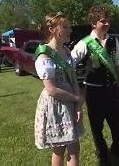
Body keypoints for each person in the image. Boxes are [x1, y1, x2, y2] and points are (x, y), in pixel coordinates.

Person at [71, 6, 119, 166]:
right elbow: (70, 63)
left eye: (108, 20)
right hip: (94, 91)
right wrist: (76, 85)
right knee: (97, 126)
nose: (107, 23)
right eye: (102, 20)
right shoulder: (85, 43)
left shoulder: (113, 41)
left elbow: (117, 64)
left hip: (112, 89)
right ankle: (102, 155)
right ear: (93, 23)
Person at [34, 12, 85, 166]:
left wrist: (78, 105)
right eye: (66, 27)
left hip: (70, 101)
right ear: (52, 29)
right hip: (56, 105)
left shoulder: (67, 51)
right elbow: (52, 89)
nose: (70, 30)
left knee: (74, 148)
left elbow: (74, 79)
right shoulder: (44, 55)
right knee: (59, 149)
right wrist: (77, 98)